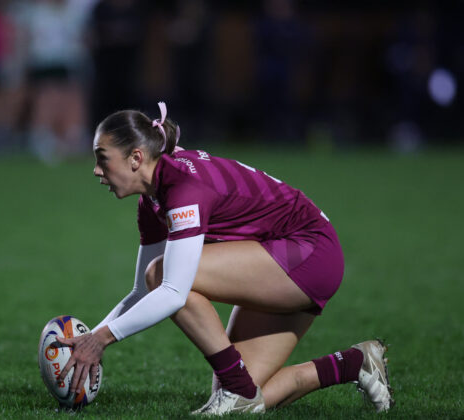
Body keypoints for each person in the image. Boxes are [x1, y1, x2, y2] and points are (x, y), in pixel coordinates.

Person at [56, 102, 393, 415]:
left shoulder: (183, 189)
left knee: (163, 274)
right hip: (280, 255)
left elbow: (172, 290)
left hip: (308, 253)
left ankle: (237, 387)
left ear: (135, 158)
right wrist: (90, 339)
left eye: (103, 158)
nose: (97, 171)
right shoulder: (152, 199)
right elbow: (142, 295)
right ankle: (354, 363)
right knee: (245, 398)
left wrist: (100, 339)